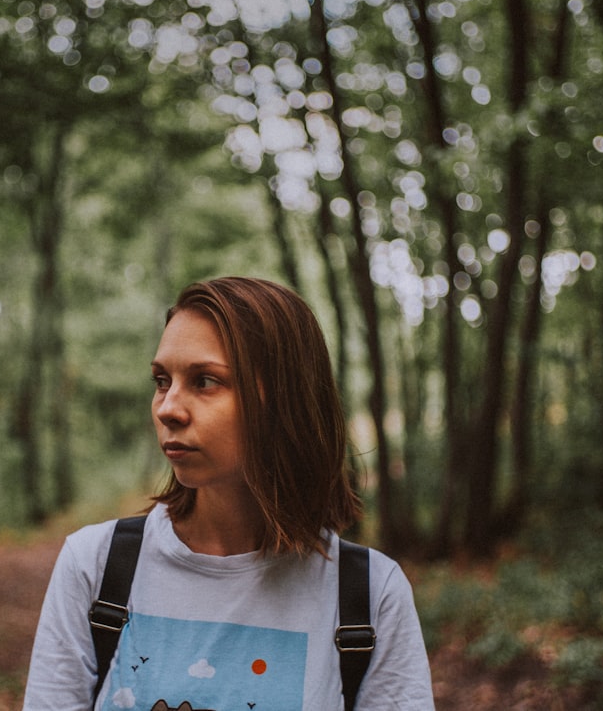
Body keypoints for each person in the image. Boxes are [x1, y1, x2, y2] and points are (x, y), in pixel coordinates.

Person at [23, 277, 434, 710]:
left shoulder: (369, 595)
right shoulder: (97, 567)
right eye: (162, 380)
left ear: (283, 401)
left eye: (205, 381)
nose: (168, 408)